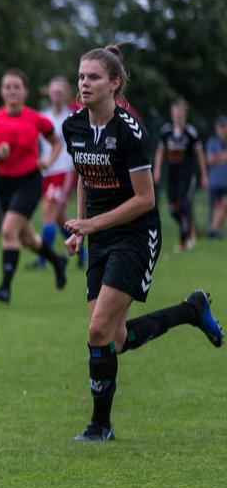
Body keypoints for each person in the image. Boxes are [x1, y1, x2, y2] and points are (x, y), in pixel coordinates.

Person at [62, 44, 221, 442]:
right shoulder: (74, 126)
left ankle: (100, 426)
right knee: (112, 340)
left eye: (94, 77)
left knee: (97, 332)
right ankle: (190, 310)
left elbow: (145, 200)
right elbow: (83, 175)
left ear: (114, 84)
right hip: (99, 235)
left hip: (136, 235)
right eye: (81, 76)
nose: (85, 83)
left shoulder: (131, 131)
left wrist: (92, 223)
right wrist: (80, 229)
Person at [0, 69, 69, 302]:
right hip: (4, 183)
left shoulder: (36, 118)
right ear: (1, 91)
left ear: (25, 91)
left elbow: (57, 143)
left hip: (29, 181)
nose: (12, 90)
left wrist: (48, 161)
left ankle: (5, 288)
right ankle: (58, 261)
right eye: (8, 86)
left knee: (7, 231)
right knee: (26, 238)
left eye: (17, 86)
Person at [29, 77, 79, 268]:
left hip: (64, 171)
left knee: (48, 213)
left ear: (66, 94)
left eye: (61, 91)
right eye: (54, 91)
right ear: (48, 93)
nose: (57, 95)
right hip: (46, 172)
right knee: (60, 220)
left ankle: (43, 259)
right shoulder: (43, 116)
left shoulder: (72, 118)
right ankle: (82, 253)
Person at [153, 98, 209, 253]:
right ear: (171, 113)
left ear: (185, 114)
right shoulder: (166, 131)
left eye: (180, 112)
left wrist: (204, 175)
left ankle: (183, 241)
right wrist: (157, 169)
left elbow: (199, 154)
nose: (177, 115)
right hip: (172, 174)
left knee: (183, 205)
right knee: (173, 209)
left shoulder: (190, 132)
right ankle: (188, 227)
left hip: (187, 174)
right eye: (175, 112)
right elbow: (160, 151)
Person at [206, 115, 227, 239]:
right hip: (215, 181)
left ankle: (213, 228)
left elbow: (214, 158)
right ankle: (217, 231)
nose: (223, 130)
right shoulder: (212, 142)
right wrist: (223, 157)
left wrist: (217, 157)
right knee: (218, 206)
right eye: (221, 126)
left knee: (224, 203)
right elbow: (210, 160)